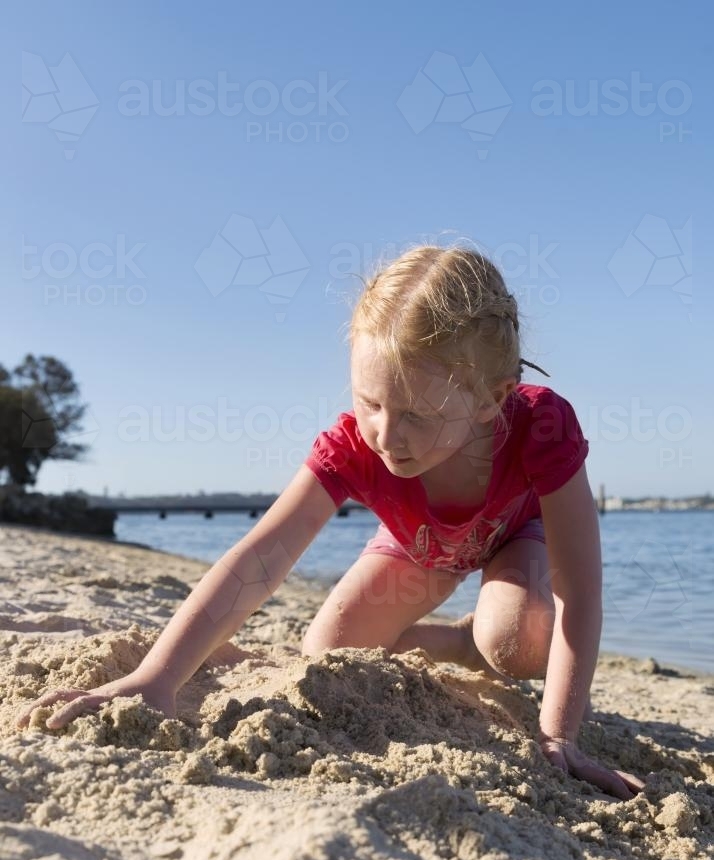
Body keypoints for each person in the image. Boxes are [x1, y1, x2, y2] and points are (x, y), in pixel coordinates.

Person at [15, 244, 645, 801]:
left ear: (492, 399)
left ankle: (486, 634)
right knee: (327, 652)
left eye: (418, 416)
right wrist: (157, 677)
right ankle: (458, 640)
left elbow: (579, 588)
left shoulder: (539, 426)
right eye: (370, 402)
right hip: (421, 546)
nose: (387, 436)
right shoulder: (355, 448)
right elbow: (261, 556)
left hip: (516, 536)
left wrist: (560, 732)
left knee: (517, 642)